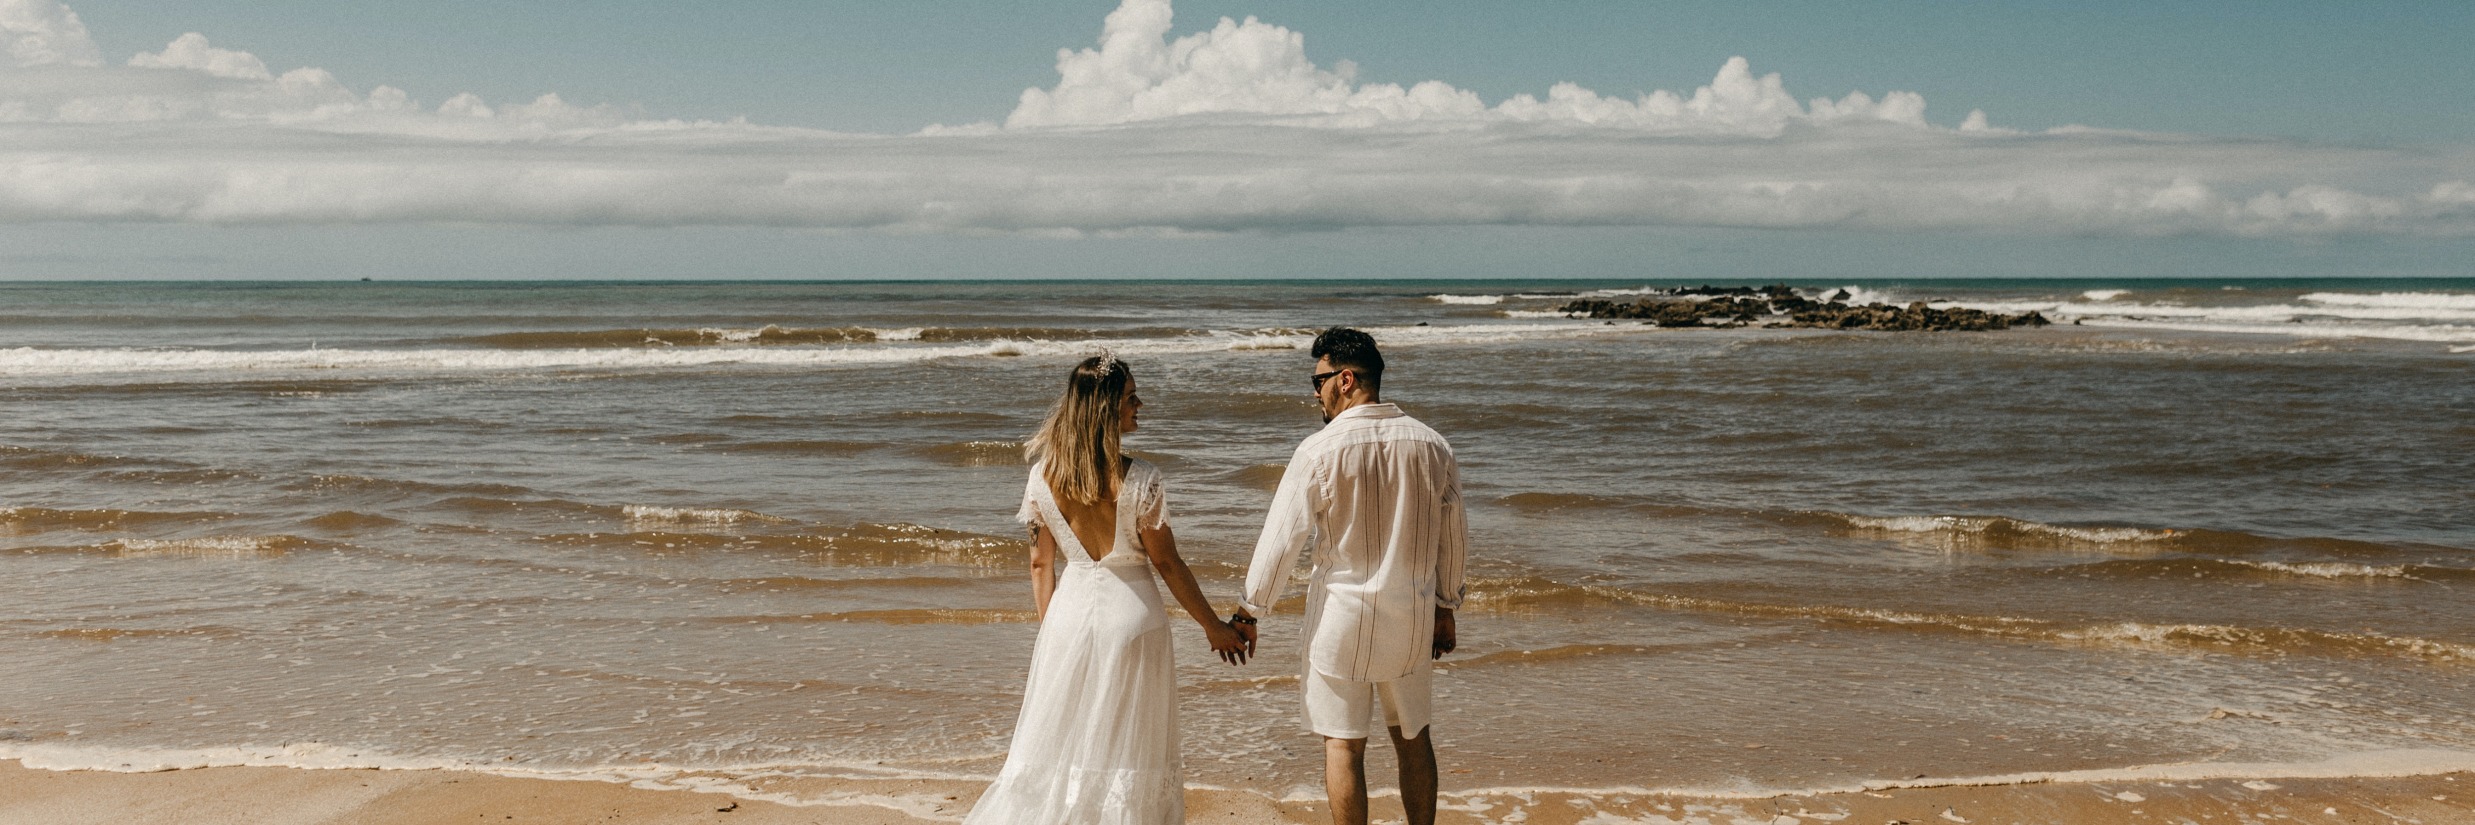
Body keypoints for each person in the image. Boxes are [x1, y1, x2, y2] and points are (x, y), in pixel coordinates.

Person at [964, 353, 1251, 825]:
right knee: (1131, 750)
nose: (1141, 405)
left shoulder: (1042, 478)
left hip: (1067, 617)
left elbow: (1040, 564)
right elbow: (1167, 563)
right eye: (1131, 398)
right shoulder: (1142, 481)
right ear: (1105, 410)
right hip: (1133, 618)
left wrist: (1053, 630)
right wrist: (1213, 626)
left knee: (1065, 747)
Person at [1232, 328, 1469, 825]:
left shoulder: (1320, 449)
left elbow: (1281, 540)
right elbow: (1454, 538)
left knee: (1343, 745)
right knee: (1413, 737)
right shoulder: (1433, 445)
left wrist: (1250, 610)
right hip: (1411, 617)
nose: (1313, 392)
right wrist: (1446, 607)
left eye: (1315, 381)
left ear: (1344, 379)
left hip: (1342, 619)